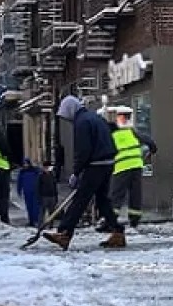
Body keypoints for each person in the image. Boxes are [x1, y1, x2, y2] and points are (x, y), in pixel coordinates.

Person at [43, 96, 126, 250]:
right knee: (102, 200)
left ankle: (64, 233)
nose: (68, 120)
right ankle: (117, 232)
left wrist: (76, 172)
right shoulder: (94, 117)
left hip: (95, 165)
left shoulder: (82, 122)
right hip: (107, 163)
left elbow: (83, 150)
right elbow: (110, 130)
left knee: (81, 199)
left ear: (70, 110)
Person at [101, 108, 158, 231]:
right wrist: (150, 152)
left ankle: (110, 222)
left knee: (116, 196)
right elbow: (150, 142)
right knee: (135, 194)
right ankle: (134, 219)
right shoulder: (130, 132)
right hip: (136, 166)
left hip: (121, 168)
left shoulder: (110, 137)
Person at [16, 158, 44, 228]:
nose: (25, 165)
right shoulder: (22, 172)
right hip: (27, 192)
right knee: (29, 207)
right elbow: (19, 182)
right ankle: (31, 221)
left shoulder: (35, 170)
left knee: (35, 207)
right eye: (24, 163)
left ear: (29, 163)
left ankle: (36, 221)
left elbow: (41, 178)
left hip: (35, 191)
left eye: (26, 163)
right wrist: (19, 190)